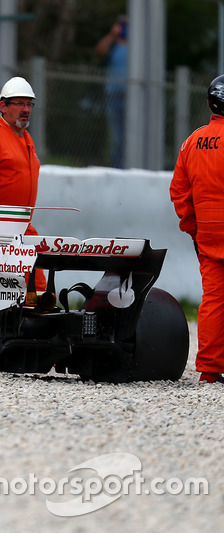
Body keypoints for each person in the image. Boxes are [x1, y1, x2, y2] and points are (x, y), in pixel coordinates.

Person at [170, 74, 224, 385]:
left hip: (208, 234)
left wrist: (193, 227)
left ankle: (209, 371)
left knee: (214, 299)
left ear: (209, 103)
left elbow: (178, 190)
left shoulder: (192, 141)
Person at [0, 76, 45, 291]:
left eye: (29, 104)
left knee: (40, 292)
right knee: (5, 293)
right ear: (3, 106)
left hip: (24, 230)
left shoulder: (28, 139)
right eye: (19, 103)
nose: (25, 109)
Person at [96, 14, 128, 168]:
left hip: (132, 98)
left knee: (130, 135)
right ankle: (116, 168)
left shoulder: (137, 47)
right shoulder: (113, 45)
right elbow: (100, 50)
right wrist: (112, 35)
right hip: (114, 96)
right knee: (116, 138)